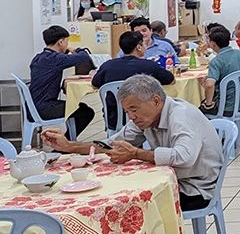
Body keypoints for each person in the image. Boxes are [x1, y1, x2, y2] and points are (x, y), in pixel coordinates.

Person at [41, 74, 224, 211]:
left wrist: (136, 153)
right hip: (173, 179)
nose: (131, 117)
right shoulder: (146, 118)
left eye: (134, 109)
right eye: (127, 111)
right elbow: (113, 144)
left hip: (195, 187)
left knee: (123, 206)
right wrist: (69, 146)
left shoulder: (180, 116)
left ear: (155, 100)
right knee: (110, 190)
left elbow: (184, 158)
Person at [91, 31, 176, 130]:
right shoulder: (149, 66)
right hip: (145, 119)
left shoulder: (107, 66)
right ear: (138, 47)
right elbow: (171, 81)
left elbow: (94, 85)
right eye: (144, 44)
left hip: (113, 118)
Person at [28, 25, 96, 138]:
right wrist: (76, 50)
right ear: (60, 42)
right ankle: (64, 145)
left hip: (34, 107)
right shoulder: (55, 59)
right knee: (86, 112)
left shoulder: (40, 57)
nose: (68, 44)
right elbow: (84, 57)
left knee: (80, 108)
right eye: (67, 41)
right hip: (45, 108)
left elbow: (63, 60)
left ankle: (65, 143)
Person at [198, 26, 240, 116]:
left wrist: (208, 105)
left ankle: (214, 129)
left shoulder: (216, 61)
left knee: (198, 108)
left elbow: (209, 85)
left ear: (212, 43)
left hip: (226, 107)